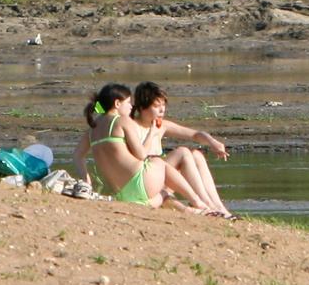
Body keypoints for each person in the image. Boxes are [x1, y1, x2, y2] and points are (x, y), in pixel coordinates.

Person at [128, 82, 236, 218]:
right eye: (156, 106)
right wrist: (151, 132)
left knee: (197, 155)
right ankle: (206, 204)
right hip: (148, 181)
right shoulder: (132, 126)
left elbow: (195, 134)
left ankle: (219, 207)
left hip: (166, 179)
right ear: (142, 108)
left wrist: (212, 141)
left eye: (163, 106)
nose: (162, 110)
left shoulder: (162, 126)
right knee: (183, 152)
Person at [78, 84, 171, 206]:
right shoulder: (122, 120)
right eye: (128, 102)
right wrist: (152, 133)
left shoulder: (93, 128)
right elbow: (142, 154)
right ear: (117, 104)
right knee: (162, 163)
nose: (131, 107)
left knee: (163, 195)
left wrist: (87, 182)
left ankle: (192, 209)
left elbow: (77, 155)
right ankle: (199, 201)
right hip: (140, 182)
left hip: (121, 193)